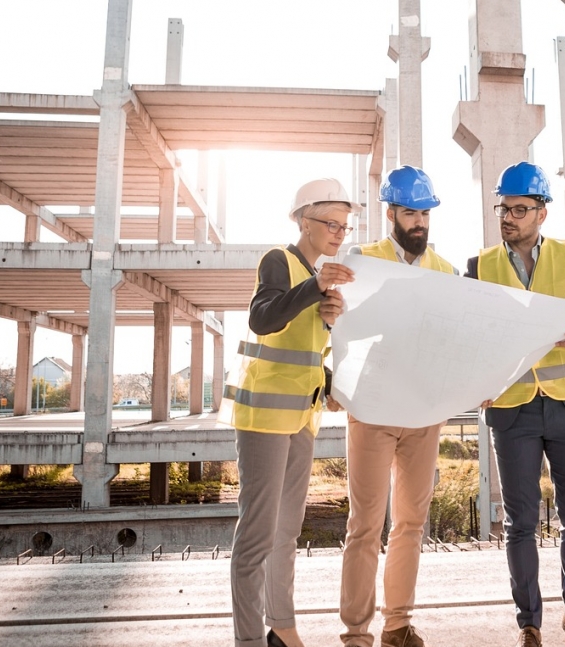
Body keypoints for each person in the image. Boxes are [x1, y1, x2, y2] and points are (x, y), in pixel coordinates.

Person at [465, 162, 565, 647]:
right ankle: (529, 623)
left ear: (541, 213)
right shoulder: (480, 266)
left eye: (519, 209)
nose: (508, 217)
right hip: (513, 410)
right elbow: (467, 335)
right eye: (503, 208)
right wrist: (476, 381)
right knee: (521, 523)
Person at [221, 177, 358, 647]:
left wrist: (332, 369)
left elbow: (305, 352)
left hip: (302, 416)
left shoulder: (319, 275)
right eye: (330, 223)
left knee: (287, 530)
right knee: (257, 535)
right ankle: (248, 640)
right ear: (303, 220)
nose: (339, 232)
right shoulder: (279, 260)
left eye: (345, 225)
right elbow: (262, 318)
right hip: (264, 417)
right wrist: (314, 289)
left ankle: (281, 626)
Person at [338, 165, 457, 647]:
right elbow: (338, 326)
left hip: (424, 413)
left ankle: (397, 624)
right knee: (364, 524)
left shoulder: (446, 271)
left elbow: (456, 340)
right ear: (391, 213)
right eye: (411, 212)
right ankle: (355, 632)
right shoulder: (362, 260)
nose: (420, 223)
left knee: (410, 523)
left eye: (426, 214)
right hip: (372, 410)